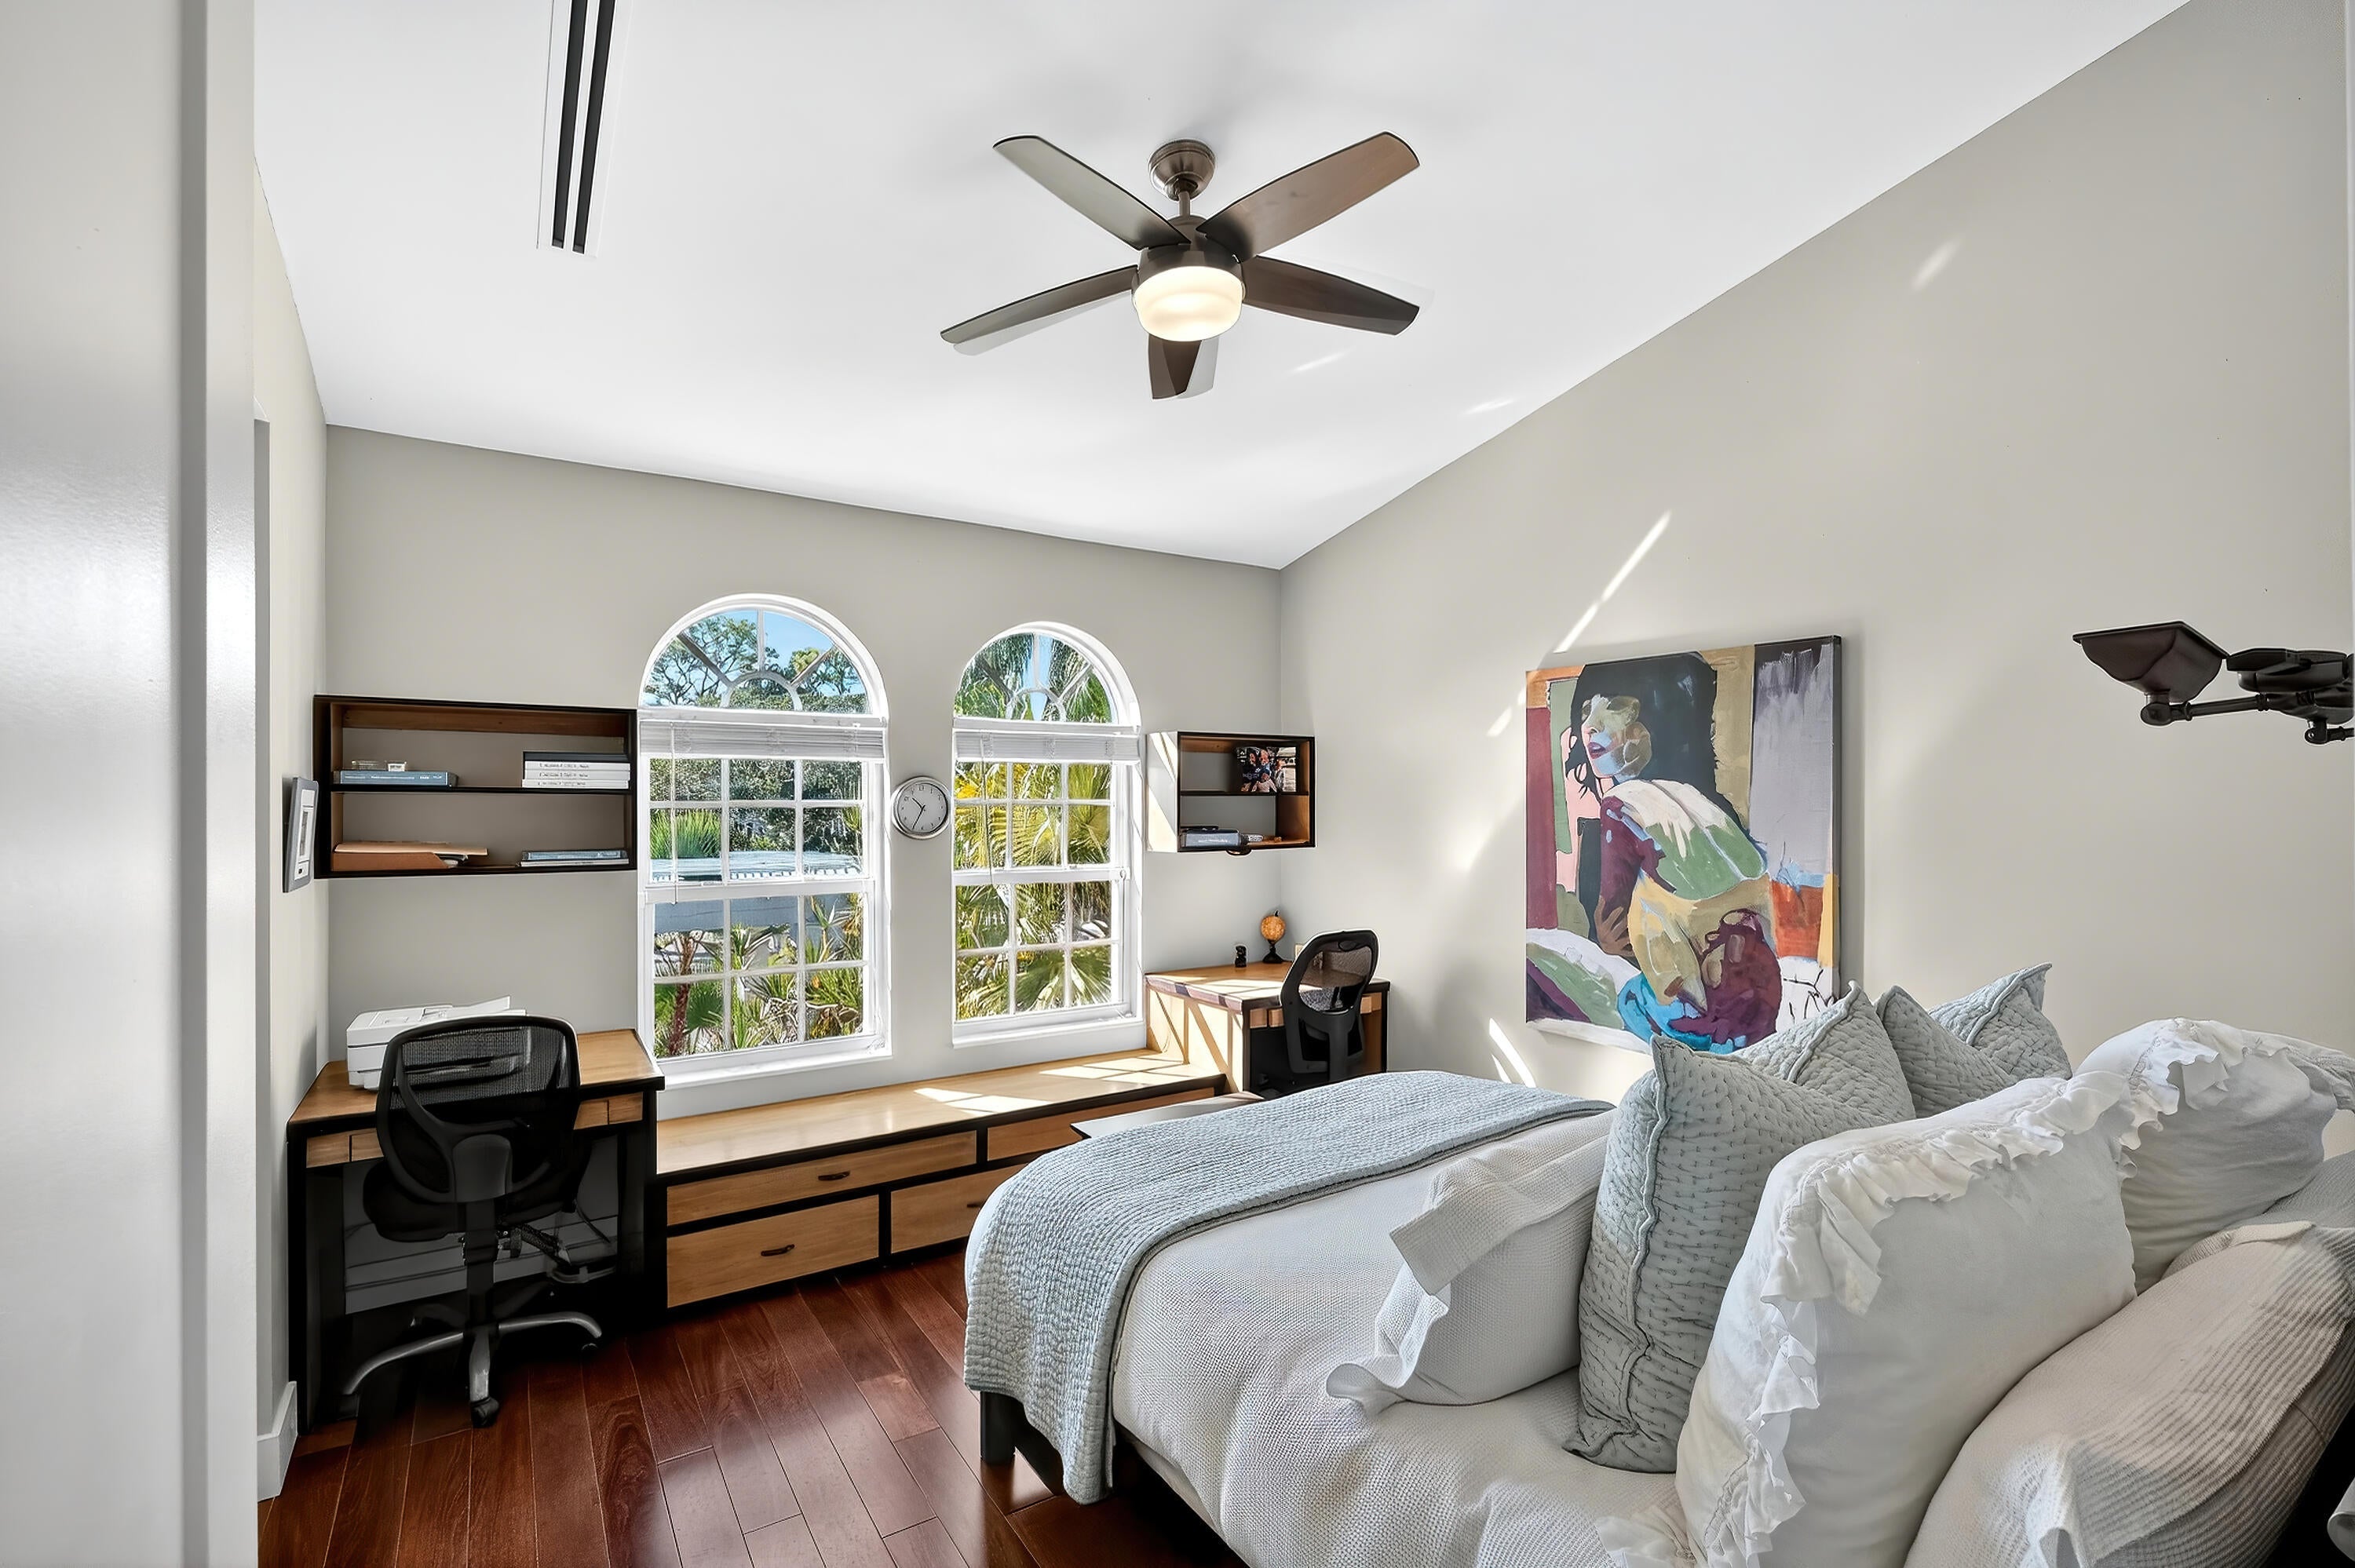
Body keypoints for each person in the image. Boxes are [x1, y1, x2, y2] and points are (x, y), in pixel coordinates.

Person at [1569, 695, 1781, 1050]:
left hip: (1697, 1013)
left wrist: (1615, 939)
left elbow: (1611, 925)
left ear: (1642, 732)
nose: (1591, 727)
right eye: (1585, 714)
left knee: (1628, 1001)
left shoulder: (1620, 806)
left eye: (1613, 709)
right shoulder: (1693, 797)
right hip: (1762, 1006)